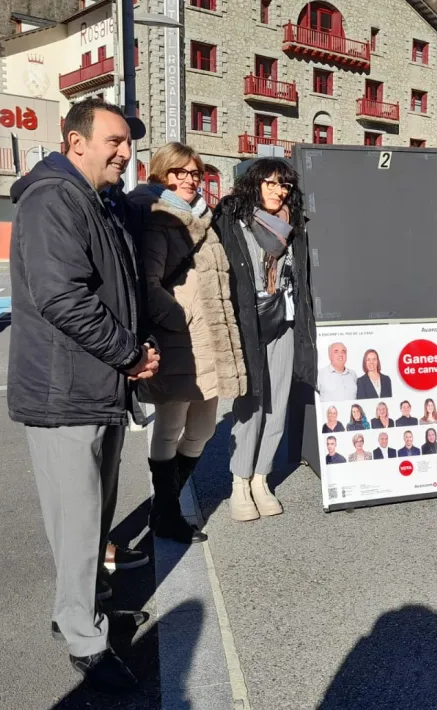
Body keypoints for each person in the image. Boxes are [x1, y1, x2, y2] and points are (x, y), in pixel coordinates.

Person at [8, 98, 156, 692]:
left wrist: (134, 350)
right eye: (115, 141)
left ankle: (85, 608)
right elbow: (62, 298)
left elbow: (119, 290)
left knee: (93, 519)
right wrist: (129, 353)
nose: (125, 152)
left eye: (127, 142)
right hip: (64, 392)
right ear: (76, 142)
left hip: (98, 386)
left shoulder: (98, 199)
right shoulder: (53, 199)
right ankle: (83, 640)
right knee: (76, 523)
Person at [130, 142, 247, 546]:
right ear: (162, 174)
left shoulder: (203, 216)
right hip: (178, 341)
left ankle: (162, 510)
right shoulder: (157, 218)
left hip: (210, 341)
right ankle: (168, 513)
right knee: (170, 427)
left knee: (203, 428)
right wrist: (181, 319)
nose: (189, 180)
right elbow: (146, 284)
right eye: (179, 172)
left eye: (195, 173)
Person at [215, 157, 317, 522]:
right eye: (271, 183)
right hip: (248, 321)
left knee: (278, 403)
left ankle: (261, 478)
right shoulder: (232, 221)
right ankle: (239, 482)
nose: (279, 191)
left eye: (284, 185)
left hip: (284, 320)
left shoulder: (295, 225)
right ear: (255, 184)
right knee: (251, 401)